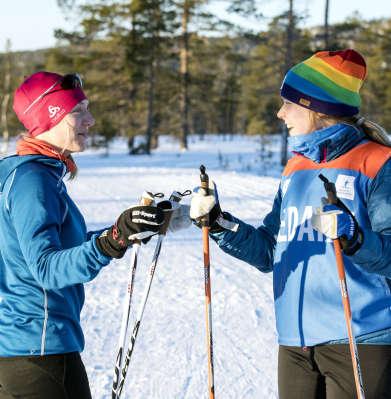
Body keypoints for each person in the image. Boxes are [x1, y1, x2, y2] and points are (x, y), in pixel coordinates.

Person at [190, 49, 391, 398]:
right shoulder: (295, 168)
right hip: (296, 341)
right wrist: (219, 223)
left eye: (289, 104)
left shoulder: (377, 162)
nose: (280, 113)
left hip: (361, 337)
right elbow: (270, 250)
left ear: (317, 109)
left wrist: (355, 238)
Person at [0, 71, 165, 399]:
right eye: (79, 112)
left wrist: (125, 232)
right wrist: (112, 241)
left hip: (24, 351)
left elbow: (61, 247)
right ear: (51, 117)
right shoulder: (34, 181)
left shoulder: (26, 174)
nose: (90, 120)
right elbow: (46, 268)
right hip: (39, 349)